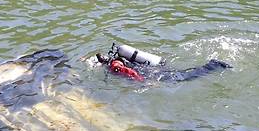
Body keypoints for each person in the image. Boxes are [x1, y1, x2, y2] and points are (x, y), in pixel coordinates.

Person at [95, 52, 231, 82]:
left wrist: (142, 81)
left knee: (182, 77)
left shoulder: (114, 66)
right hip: (151, 70)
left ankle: (212, 65)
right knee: (181, 74)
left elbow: (129, 72)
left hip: (151, 74)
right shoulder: (116, 61)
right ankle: (210, 66)